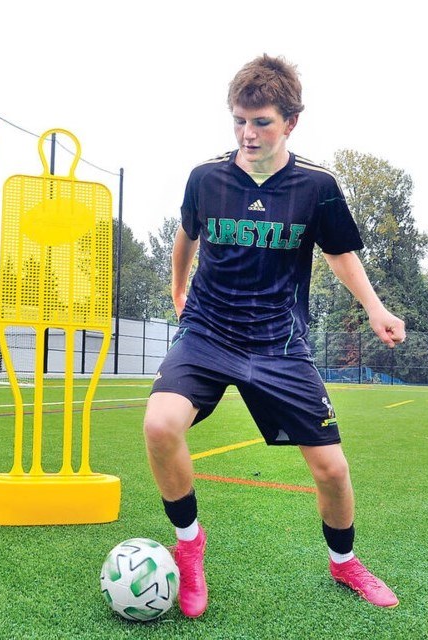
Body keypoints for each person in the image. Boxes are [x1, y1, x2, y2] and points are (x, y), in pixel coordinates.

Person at [144, 54, 405, 617]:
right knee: (160, 425)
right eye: (239, 120)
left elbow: (340, 253)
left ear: (290, 122)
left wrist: (376, 308)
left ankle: (344, 562)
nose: (248, 133)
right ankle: (189, 546)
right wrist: (178, 288)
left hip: (278, 345)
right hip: (208, 331)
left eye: (261, 122)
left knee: (332, 470)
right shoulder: (205, 177)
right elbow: (186, 235)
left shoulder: (317, 186)